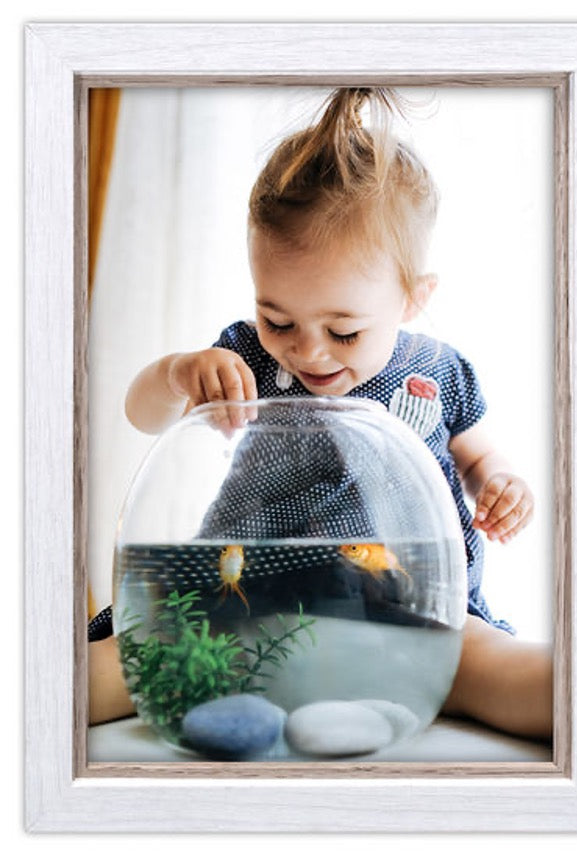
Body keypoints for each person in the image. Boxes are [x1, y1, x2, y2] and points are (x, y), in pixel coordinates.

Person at [90, 87, 552, 740]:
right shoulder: (243, 355)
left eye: (343, 331)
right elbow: (144, 413)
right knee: (125, 663)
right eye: (278, 319)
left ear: (413, 299)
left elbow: (477, 456)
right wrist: (177, 373)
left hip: (402, 605)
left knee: (493, 664)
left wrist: (499, 482)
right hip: (248, 598)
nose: (307, 351)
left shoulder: (439, 373)